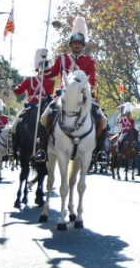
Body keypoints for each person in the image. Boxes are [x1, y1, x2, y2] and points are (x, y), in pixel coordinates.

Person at [42, 16, 107, 163]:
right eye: (74, 43)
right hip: (63, 95)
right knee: (44, 117)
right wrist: (42, 66)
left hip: (83, 96)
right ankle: (42, 149)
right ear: (70, 45)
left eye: (79, 43)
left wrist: (83, 88)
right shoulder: (62, 58)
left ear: (83, 45)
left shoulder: (89, 61)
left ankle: (100, 151)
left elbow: (93, 80)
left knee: (102, 118)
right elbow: (51, 73)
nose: (77, 45)